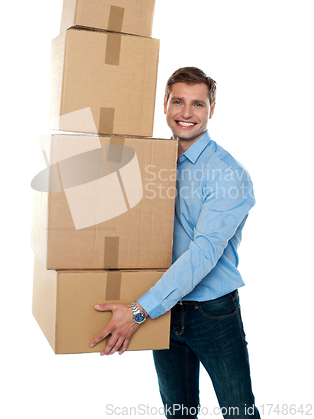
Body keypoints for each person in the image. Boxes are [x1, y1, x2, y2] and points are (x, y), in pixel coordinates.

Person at [90, 67, 260, 419]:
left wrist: (139, 311)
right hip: (164, 309)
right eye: (178, 101)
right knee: (178, 413)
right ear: (164, 105)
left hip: (211, 311)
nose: (186, 113)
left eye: (197, 104)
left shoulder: (228, 173)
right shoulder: (151, 162)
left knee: (239, 413)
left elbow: (204, 253)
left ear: (211, 110)